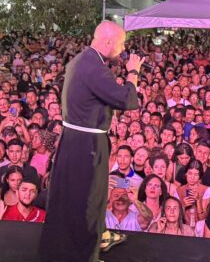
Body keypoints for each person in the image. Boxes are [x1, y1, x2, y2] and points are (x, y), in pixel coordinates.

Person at [39, 21, 143, 262]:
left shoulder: (81, 60)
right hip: (87, 145)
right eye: (121, 43)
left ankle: (92, 239)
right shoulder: (94, 67)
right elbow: (127, 99)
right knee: (89, 200)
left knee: (76, 197)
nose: (123, 48)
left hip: (76, 140)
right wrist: (133, 71)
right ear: (108, 42)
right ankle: (85, 255)